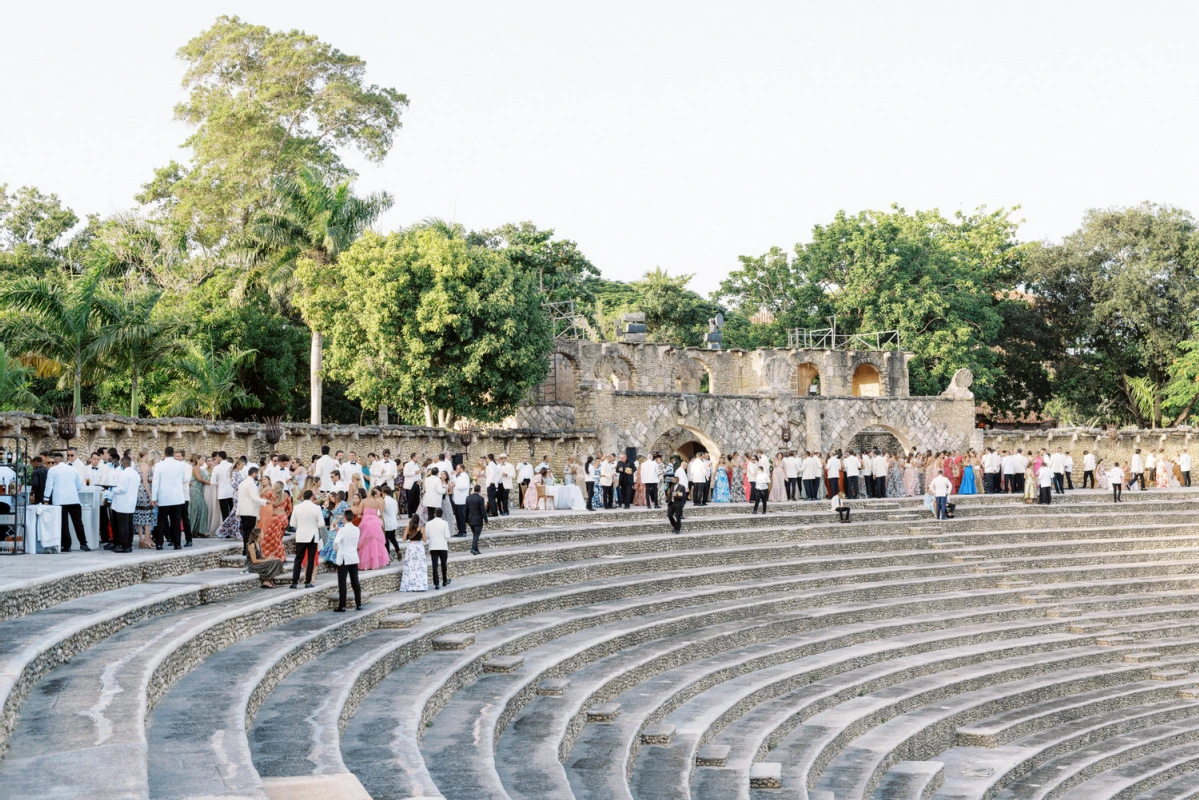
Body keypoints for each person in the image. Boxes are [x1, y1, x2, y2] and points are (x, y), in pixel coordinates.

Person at [45, 452, 89, 551]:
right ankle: (83, 543)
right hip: (74, 500)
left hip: (60, 501)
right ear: (64, 460)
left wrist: (46, 499)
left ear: (55, 462)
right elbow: (78, 486)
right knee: (78, 523)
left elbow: (49, 486)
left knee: (64, 524)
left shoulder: (52, 470)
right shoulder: (73, 469)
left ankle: (67, 545)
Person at [288, 490, 324, 589]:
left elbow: (292, 524)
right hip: (312, 535)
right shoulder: (316, 508)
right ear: (312, 497)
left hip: (301, 535)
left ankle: (294, 582)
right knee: (311, 558)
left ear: (303, 497)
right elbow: (321, 523)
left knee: (298, 559)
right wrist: (313, 524)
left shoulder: (297, 507)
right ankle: (308, 581)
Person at [108, 455, 140, 552]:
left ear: (123, 463)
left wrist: (111, 489)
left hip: (122, 503)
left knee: (123, 526)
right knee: (129, 525)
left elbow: (122, 489)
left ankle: (124, 545)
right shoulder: (136, 474)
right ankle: (129, 544)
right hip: (131, 502)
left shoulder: (124, 473)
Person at [332, 510, 362, 612]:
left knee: (342, 582)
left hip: (344, 557)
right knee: (355, 581)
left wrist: (337, 549)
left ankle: (342, 605)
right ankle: (358, 603)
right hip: (353, 556)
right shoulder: (357, 529)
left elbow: (336, 542)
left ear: (345, 518)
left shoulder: (342, 530)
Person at [237, 466, 268, 556]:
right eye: (257, 474)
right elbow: (254, 497)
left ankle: (245, 550)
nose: (258, 476)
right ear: (254, 473)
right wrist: (265, 501)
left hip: (243, 510)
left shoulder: (243, 482)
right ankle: (248, 551)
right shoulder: (250, 484)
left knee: (246, 531)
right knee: (250, 532)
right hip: (250, 510)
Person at [400, 516, 428, 592]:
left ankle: (410, 585)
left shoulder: (408, 528)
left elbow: (404, 539)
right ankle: (420, 585)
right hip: (419, 547)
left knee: (410, 566)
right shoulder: (421, 528)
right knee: (420, 566)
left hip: (411, 547)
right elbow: (425, 540)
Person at [426, 507, 451, 590]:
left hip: (433, 546)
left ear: (434, 514)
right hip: (443, 546)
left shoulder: (429, 523)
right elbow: (447, 536)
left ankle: (436, 583)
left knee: (434, 565)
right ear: (442, 515)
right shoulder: (445, 523)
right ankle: (444, 580)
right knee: (444, 564)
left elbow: (426, 536)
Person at [466, 484, 487, 555]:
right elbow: (483, 510)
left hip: (470, 519)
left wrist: (466, 520)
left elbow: (466, 510)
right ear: (480, 490)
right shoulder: (480, 498)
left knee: (475, 534)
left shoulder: (468, 498)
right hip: (478, 519)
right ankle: (473, 549)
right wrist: (486, 519)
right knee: (477, 535)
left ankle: (476, 549)